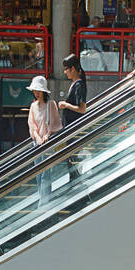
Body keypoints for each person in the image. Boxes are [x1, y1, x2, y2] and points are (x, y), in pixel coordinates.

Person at [27, 74, 62, 205]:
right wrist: (37, 137)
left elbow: (56, 124)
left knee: (46, 174)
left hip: (47, 144)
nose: (36, 93)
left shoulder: (51, 105)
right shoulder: (33, 106)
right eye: (35, 91)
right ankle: (42, 199)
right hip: (37, 144)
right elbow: (32, 125)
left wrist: (47, 135)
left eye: (38, 90)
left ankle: (44, 203)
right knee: (38, 174)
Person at [59, 54, 89, 182]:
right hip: (71, 128)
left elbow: (82, 109)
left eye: (66, 69)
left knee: (72, 159)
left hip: (73, 128)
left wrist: (66, 105)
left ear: (72, 69)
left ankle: (76, 183)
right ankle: (75, 181)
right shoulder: (76, 84)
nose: (65, 72)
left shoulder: (79, 85)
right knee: (71, 159)